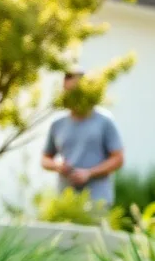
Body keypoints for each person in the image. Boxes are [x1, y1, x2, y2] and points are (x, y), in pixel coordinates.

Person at [41, 68, 125, 205]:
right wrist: (57, 166)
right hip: (65, 199)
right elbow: (45, 159)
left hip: (97, 200)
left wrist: (89, 173)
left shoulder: (104, 121)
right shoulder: (57, 124)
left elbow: (118, 158)